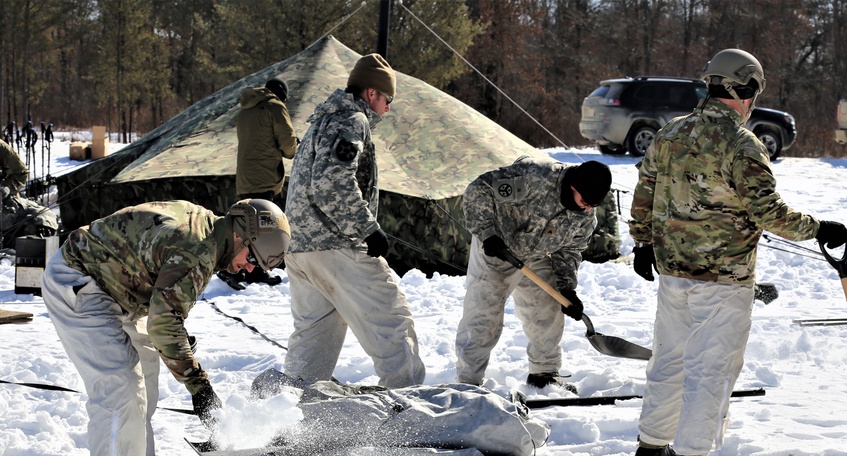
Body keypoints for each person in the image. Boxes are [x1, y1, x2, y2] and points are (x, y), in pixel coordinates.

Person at [628, 48, 847, 456]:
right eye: (754, 92)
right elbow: (768, 211)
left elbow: (645, 190)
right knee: (711, 367)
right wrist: (818, 227)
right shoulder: (740, 144)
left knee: (669, 357)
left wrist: (642, 242)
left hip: (673, 270)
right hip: (722, 279)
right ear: (743, 89)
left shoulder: (671, 132)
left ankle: (652, 447)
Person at [41, 199, 290, 456]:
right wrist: (199, 386)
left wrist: (177, 342)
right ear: (243, 236)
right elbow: (164, 323)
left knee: (147, 370)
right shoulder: (198, 250)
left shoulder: (207, 230)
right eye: (252, 260)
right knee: (121, 385)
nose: (248, 269)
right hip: (81, 282)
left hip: (115, 288)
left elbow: (164, 306)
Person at [282, 53, 426, 388]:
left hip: (301, 248)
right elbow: (332, 181)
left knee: (315, 335)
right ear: (372, 93)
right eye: (387, 99)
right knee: (391, 319)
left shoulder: (322, 120)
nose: (388, 108)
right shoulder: (350, 121)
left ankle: (291, 411)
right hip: (337, 245)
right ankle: (410, 408)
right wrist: (367, 228)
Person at [455, 158, 612, 394]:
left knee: (547, 307)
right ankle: (468, 382)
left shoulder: (585, 216)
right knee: (484, 313)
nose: (588, 208)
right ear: (573, 187)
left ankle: (544, 373)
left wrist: (567, 288)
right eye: (585, 201)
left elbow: (569, 250)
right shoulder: (534, 178)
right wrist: (488, 234)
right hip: (498, 247)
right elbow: (479, 190)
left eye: (593, 204)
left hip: (538, 253)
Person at [220, 78, 298, 290]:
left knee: (244, 227)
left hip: (245, 176)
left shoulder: (245, 110)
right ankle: (250, 272)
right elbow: (289, 146)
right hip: (264, 176)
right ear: (281, 95)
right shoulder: (275, 107)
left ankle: (235, 269)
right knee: (262, 229)